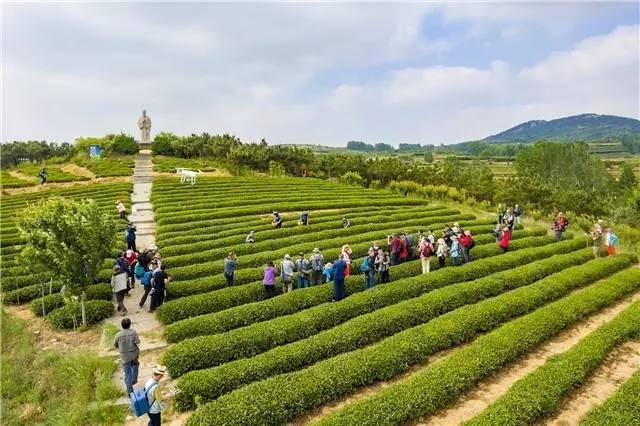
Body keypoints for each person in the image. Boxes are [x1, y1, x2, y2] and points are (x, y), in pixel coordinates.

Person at [113, 318, 140, 395]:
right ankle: (134, 379)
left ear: (122, 326)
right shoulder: (133, 332)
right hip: (134, 355)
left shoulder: (118, 335)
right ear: (129, 325)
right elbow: (137, 342)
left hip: (124, 357)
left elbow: (115, 345)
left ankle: (130, 392)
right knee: (135, 365)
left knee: (127, 374)